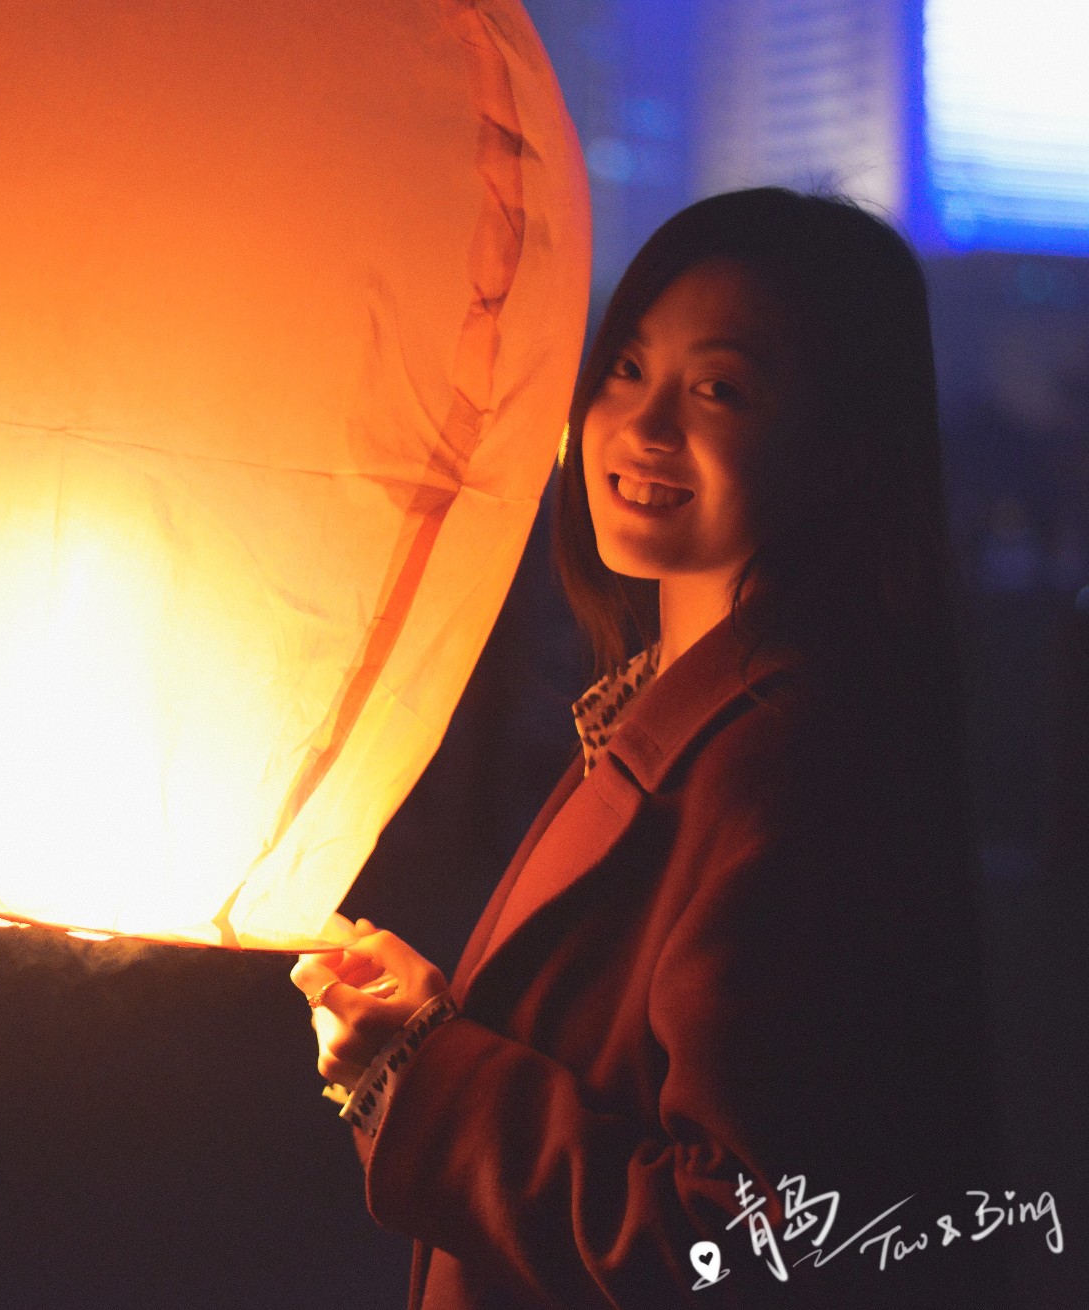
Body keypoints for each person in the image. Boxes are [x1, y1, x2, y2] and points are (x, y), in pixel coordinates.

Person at [290, 189, 1005, 1307]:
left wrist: (424, 1076)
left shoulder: (783, 765)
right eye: (623, 366)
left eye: (715, 387)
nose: (642, 425)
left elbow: (755, 1241)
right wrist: (424, 1031)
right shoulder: (663, 712)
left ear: (837, 449)